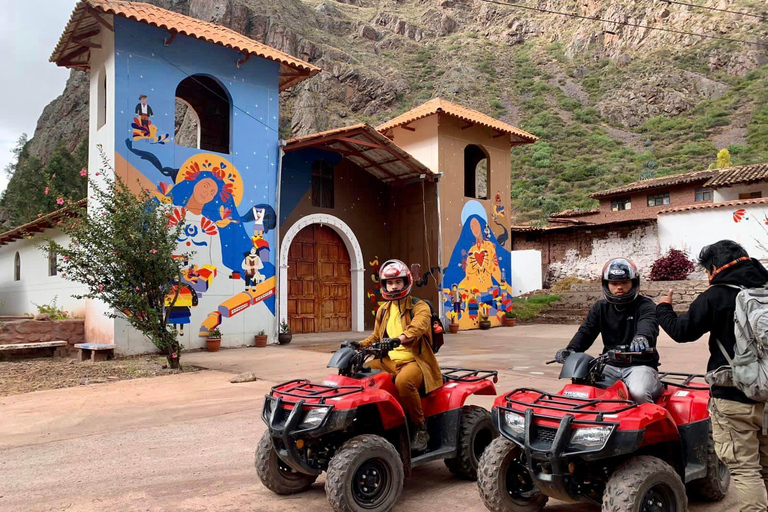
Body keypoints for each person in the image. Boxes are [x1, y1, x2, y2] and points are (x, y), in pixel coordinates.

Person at [656, 240, 768, 512]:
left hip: (733, 398)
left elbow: (682, 332)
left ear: (715, 268)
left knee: (745, 469)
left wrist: (663, 308)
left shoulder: (716, 295)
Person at [347, 259, 442, 451]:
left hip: (415, 361)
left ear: (406, 282)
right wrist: (358, 345)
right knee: (360, 375)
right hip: (389, 361)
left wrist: (399, 339)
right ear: (384, 285)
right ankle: (370, 421)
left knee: (403, 382)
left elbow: (418, 327)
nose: (393, 287)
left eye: (397, 282)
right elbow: (375, 336)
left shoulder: (419, 306)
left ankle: (420, 428)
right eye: (389, 283)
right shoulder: (383, 310)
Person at [554, 258, 662, 404]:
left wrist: (642, 337)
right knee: (582, 389)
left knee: (638, 393)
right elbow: (586, 331)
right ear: (606, 284)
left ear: (634, 283)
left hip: (640, 366)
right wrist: (571, 350)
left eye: (624, 282)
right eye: (614, 283)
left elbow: (648, 323)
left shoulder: (645, 305)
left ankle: (650, 424)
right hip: (610, 365)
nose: (619, 287)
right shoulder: (600, 307)